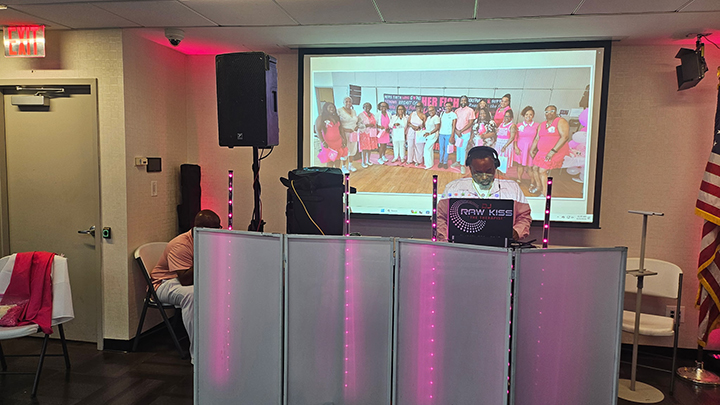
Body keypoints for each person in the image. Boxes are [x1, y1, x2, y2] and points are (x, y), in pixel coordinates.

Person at [151, 210, 222, 362]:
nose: (217, 233)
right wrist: (204, 253)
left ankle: (220, 343)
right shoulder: (181, 245)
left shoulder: (214, 241)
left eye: (218, 228)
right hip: (165, 282)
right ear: (199, 229)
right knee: (192, 295)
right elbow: (185, 280)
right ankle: (198, 356)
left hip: (189, 279)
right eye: (213, 229)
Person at [437, 146, 531, 242]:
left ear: (496, 166)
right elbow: (440, 217)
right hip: (460, 247)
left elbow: (524, 216)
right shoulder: (453, 188)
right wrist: (446, 239)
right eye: (478, 172)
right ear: (470, 168)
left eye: (489, 171)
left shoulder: (512, 188)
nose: (484, 176)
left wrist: (517, 232)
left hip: (501, 248)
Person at [530, 105, 571, 196]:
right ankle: (538, 187)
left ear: (555, 112)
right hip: (542, 152)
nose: (549, 113)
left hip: (555, 151)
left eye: (552, 111)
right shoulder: (542, 124)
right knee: (535, 168)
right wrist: (531, 150)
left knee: (542, 171)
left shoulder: (560, 121)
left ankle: (545, 193)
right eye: (547, 111)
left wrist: (552, 151)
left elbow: (565, 137)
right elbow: (537, 138)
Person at [315, 102, 347, 169]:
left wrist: (344, 139)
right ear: (325, 108)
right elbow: (317, 130)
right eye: (330, 107)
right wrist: (323, 141)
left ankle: (337, 172)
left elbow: (341, 129)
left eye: (333, 107)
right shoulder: (321, 118)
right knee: (330, 160)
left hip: (338, 142)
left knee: (338, 159)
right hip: (328, 143)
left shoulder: (336, 117)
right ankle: (330, 174)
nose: (332, 109)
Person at [514, 106, 538, 188]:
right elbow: (515, 137)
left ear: (533, 115)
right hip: (520, 148)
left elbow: (538, 138)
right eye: (526, 114)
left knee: (530, 167)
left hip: (531, 148)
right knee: (520, 165)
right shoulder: (519, 125)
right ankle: (519, 179)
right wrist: (516, 147)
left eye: (530, 114)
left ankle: (532, 182)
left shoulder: (537, 126)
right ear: (524, 115)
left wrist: (536, 149)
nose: (528, 116)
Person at [452, 95, 476, 174]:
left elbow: (470, 123)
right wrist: (456, 131)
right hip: (457, 133)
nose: (463, 102)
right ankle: (458, 161)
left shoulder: (470, 110)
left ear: (467, 101)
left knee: (463, 148)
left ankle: (462, 165)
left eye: (464, 100)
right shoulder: (457, 111)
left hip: (465, 133)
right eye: (462, 100)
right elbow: (454, 122)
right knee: (458, 147)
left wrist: (461, 131)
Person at [338, 96, 360, 173]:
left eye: (350, 101)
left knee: (353, 149)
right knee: (345, 150)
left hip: (353, 133)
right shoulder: (339, 111)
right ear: (343, 102)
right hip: (344, 134)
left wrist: (356, 126)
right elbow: (338, 124)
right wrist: (346, 130)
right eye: (346, 101)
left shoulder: (353, 111)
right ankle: (343, 166)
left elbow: (355, 121)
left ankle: (350, 165)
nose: (348, 103)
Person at [496, 109, 517, 174]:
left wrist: (505, 146)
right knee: (497, 161)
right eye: (505, 116)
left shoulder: (512, 126)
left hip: (506, 146)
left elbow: (512, 137)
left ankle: (503, 175)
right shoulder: (501, 124)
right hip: (498, 145)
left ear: (511, 117)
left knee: (503, 163)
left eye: (508, 116)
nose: (506, 118)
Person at [358, 102, 378, 168]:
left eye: (368, 106)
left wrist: (374, 126)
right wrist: (367, 125)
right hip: (364, 133)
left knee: (369, 148)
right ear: (363, 107)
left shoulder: (372, 115)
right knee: (364, 148)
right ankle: (363, 162)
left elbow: (375, 123)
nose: (367, 108)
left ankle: (368, 160)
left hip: (371, 133)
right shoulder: (361, 115)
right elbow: (358, 124)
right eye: (365, 106)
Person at [437, 101, 457, 169]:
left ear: (451, 107)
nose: (447, 107)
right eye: (446, 106)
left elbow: (453, 126)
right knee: (441, 149)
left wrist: (452, 135)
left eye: (449, 106)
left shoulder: (453, 115)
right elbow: (440, 124)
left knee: (446, 149)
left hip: (448, 134)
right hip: (441, 134)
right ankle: (440, 162)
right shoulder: (442, 113)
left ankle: (445, 162)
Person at [407, 101, 426, 167]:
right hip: (411, 131)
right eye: (417, 106)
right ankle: (410, 159)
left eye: (420, 106)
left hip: (419, 132)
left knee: (419, 146)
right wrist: (413, 126)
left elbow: (424, 126)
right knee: (410, 145)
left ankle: (418, 161)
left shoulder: (423, 116)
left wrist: (420, 127)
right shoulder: (412, 114)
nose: (418, 108)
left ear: (422, 107)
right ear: (415, 107)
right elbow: (408, 122)